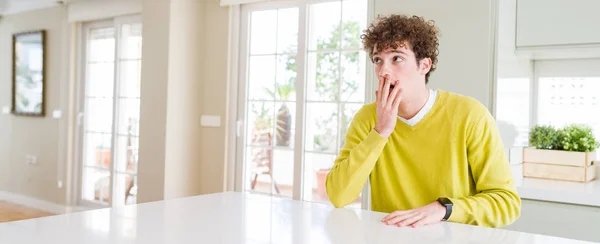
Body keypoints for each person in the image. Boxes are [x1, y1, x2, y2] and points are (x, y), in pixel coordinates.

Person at [325, 14, 521, 228]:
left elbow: (506, 203)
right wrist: (380, 132)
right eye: (377, 60)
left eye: (396, 58)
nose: (383, 71)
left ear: (424, 65)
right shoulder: (368, 119)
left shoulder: (470, 115)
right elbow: (338, 195)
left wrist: (443, 209)